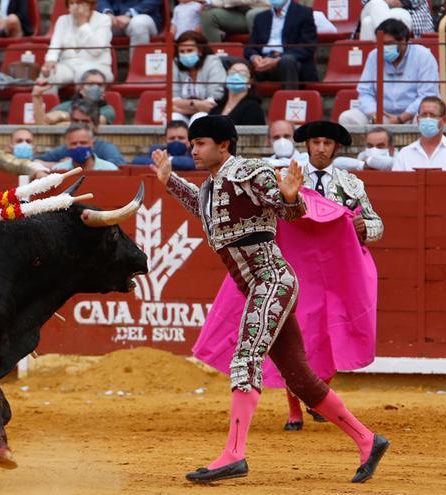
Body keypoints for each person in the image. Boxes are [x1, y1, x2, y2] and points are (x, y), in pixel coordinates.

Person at [150, 114, 389, 485]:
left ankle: (233, 454)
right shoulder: (213, 186)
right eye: (192, 144)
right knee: (301, 378)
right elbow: (202, 207)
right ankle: (368, 439)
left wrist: (291, 197)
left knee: (245, 358)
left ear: (224, 145)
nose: (192, 150)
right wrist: (169, 182)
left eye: (199, 144)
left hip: (272, 281)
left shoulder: (251, 171)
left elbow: (287, 209)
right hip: (259, 286)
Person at [195, 120, 383, 433]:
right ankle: (295, 406)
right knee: (299, 334)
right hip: (296, 263)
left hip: (334, 271)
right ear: (307, 146)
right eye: (316, 143)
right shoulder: (285, 175)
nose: (321, 148)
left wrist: (366, 229)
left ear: (336, 148)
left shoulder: (351, 185)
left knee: (325, 334)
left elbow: (377, 223)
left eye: (327, 143)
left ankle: (315, 394)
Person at [340, 19, 438, 126]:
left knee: (424, 119)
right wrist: (375, 115)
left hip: (412, 115)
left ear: (403, 40)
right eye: (380, 44)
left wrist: (402, 118)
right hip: (381, 116)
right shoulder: (374, 56)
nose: (383, 48)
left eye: (388, 44)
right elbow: (365, 92)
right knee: (347, 118)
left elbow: (427, 95)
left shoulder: (423, 56)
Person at [245, 0, 318, 90]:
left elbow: (308, 47)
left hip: (288, 62)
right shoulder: (260, 17)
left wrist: (277, 60)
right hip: (263, 62)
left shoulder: (304, 13)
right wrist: (254, 57)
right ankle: (247, 103)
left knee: (286, 61)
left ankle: (289, 100)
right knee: (235, 63)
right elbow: (250, 47)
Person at [34, 99, 126, 165]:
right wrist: (58, 165)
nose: (80, 125)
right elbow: (35, 161)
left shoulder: (104, 148)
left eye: (85, 121)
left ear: (96, 126)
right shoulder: (66, 148)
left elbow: (118, 164)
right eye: (76, 121)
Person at [44, 0, 113, 85]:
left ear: (89, 4)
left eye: (79, 3)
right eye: (71, 3)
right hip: (68, 66)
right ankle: (42, 98)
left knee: (87, 78)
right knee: (49, 76)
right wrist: (51, 60)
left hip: (96, 66)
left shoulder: (103, 20)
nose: (75, 7)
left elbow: (96, 50)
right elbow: (54, 46)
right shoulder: (63, 20)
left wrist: (82, 23)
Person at [393, 96, 446, 171]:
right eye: (424, 115)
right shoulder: (404, 153)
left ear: (444, 120)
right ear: (418, 119)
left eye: (432, 115)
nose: (427, 119)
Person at [172, 31, 226, 123]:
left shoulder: (213, 62)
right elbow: (173, 100)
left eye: (189, 50)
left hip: (210, 114)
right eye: (182, 51)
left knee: (199, 118)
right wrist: (196, 104)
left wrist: (182, 106)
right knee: (173, 117)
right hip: (184, 113)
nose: (185, 54)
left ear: (200, 51)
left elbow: (210, 105)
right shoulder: (176, 63)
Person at [32, 68, 117, 125]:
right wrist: (37, 96)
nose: (95, 88)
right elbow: (43, 123)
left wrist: (62, 116)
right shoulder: (67, 106)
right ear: (81, 88)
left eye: (99, 85)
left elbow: (94, 122)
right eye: (90, 84)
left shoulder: (107, 109)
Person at [211, 60, 266, 125]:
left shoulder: (253, 108)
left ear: (250, 82)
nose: (236, 76)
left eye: (243, 74)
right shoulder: (217, 107)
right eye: (232, 73)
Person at [131, 119, 195, 171]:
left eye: (181, 138)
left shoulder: (194, 152)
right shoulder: (157, 150)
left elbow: (191, 163)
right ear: (164, 141)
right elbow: (137, 161)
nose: (176, 141)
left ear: (189, 141)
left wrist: (165, 160)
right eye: (172, 138)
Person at [52, 123, 120, 171]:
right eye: (74, 143)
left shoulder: (110, 169)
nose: (78, 146)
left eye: (83, 143)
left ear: (92, 144)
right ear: (67, 146)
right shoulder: (58, 171)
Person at [98, 0, 163, 49]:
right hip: (114, 17)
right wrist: (107, 12)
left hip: (142, 14)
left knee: (139, 24)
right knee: (98, 24)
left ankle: (138, 66)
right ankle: (98, 66)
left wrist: (130, 14)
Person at [200, 0, 269, 43]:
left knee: (252, 14)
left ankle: (261, 53)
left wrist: (211, 1)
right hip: (240, 12)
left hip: (263, 9)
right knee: (209, 15)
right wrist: (206, 3)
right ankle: (214, 55)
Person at [359, 0, 431, 40]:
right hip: (374, 8)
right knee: (376, 3)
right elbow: (365, 2)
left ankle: (373, 60)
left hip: (406, 11)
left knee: (367, 22)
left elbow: (400, 3)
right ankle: (387, 41)